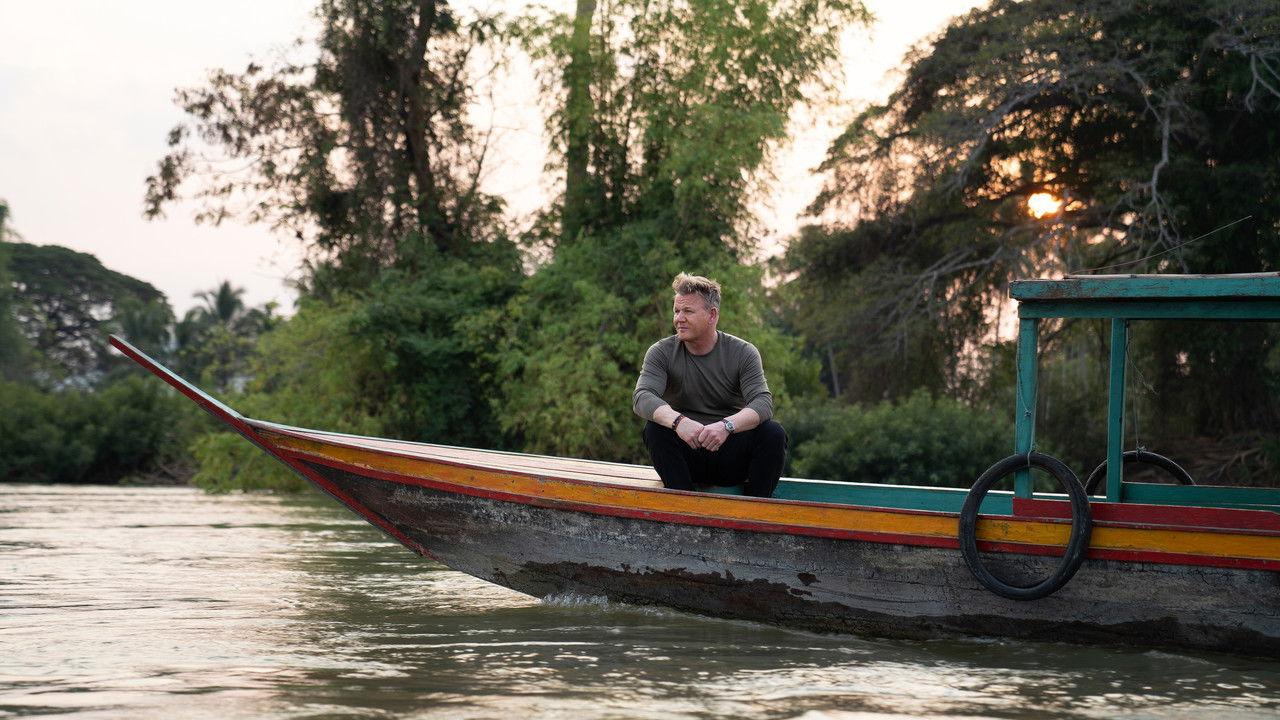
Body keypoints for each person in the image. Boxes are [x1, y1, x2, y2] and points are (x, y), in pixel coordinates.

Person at [632, 273, 787, 497]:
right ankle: (683, 509)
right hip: (686, 455)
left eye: (688, 311)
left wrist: (726, 426)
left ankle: (756, 511)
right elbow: (642, 396)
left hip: (730, 455)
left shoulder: (743, 352)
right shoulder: (661, 352)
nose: (679, 319)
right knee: (655, 428)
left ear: (712, 315)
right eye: (676, 311)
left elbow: (763, 403)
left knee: (773, 433)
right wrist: (679, 422)